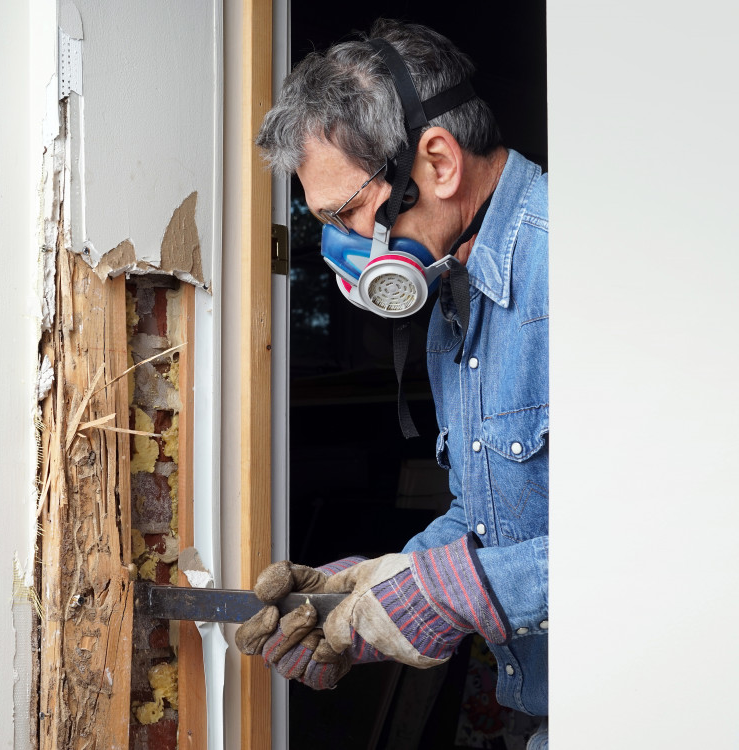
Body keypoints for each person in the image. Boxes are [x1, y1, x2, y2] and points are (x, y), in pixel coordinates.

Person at [235, 19, 549, 747]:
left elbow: (675, 540)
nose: (342, 247)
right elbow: (494, 520)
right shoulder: (452, 298)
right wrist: (375, 592)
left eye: (346, 212)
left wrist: (445, 595)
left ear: (436, 162)